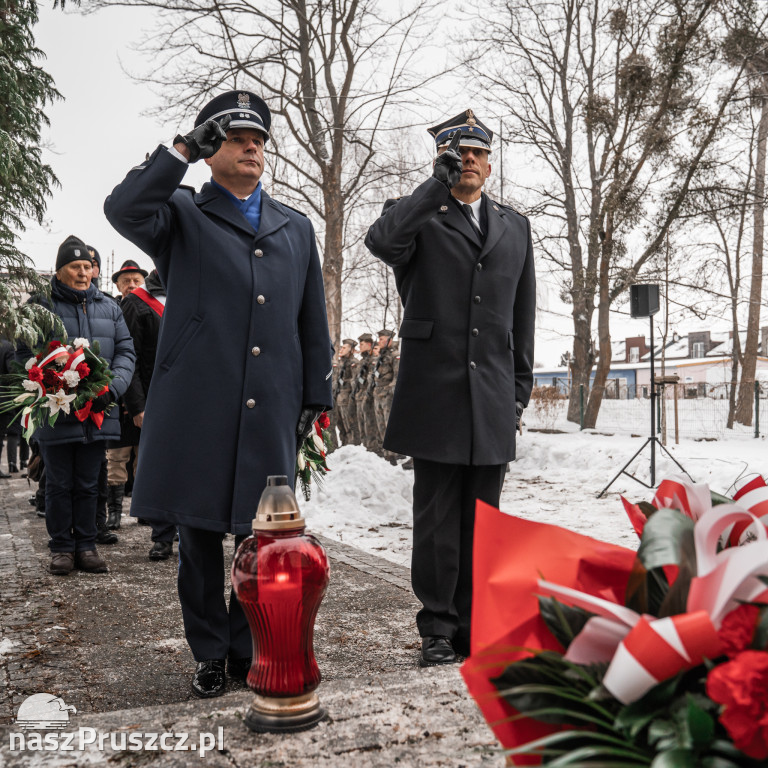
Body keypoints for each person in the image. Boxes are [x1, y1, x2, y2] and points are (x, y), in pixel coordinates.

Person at [104, 90, 333, 698]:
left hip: (271, 402)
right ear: (212, 151)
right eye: (236, 138)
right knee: (200, 537)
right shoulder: (181, 212)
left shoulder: (295, 225)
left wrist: (316, 394)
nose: (252, 146)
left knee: (263, 538)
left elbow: (312, 318)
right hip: (198, 405)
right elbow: (123, 208)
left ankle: (247, 646)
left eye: (259, 139)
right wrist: (179, 151)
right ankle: (209, 652)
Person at [364, 110, 536, 666]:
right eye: (458, 154)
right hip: (434, 390)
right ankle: (438, 627)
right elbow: (383, 243)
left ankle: (478, 623)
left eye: (478, 154)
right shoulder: (415, 215)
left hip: (491, 395)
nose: (469, 162)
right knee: (437, 518)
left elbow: (523, 312)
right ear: (441, 160)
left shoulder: (514, 225)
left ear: (490, 162)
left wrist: (518, 391)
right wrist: (432, 187)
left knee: (485, 519)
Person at [18, 235, 136, 575]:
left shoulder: (110, 307)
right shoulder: (40, 308)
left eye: (87, 266)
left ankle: (86, 545)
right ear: (59, 272)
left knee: (88, 482)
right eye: (75, 266)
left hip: (97, 410)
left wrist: (112, 389)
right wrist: (51, 382)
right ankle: (61, 548)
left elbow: (126, 352)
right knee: (58, 483)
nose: (83, 273)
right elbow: (24, 353)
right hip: (56, 410)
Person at [118, 268, 177, 560]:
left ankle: (190, 530)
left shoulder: (194, 291)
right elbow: (131, 357)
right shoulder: (137, 302)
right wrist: (137, 405)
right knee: (161, 467)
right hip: (155, 399)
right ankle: (163, 536)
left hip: (194, 397)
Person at [104, 259, 147, 529]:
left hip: (143, 396)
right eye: (126, 281)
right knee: (116, 458)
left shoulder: (147, 309)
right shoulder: (112, 310)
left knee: (144, 458)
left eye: (136, 281)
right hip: (119, 398)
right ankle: (115, 513)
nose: (131, 285)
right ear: (118, 285)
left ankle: (144, 508)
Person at [334, 338, 358, 446]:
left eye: (344, 348)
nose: (341, 350)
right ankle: (344, 445)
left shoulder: (353, 363)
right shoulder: (340, 362)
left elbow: (356, 381)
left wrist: (343, 382)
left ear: (351, 350)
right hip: (339, 397)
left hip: (348, 398)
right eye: (341, 347)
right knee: (341, 425)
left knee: (349, 424)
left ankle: (352, 446)